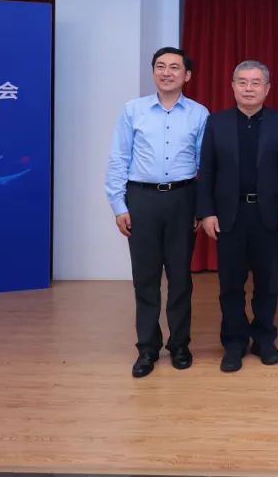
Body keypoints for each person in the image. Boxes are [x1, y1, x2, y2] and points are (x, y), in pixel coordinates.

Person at [105, 47, 208, 378]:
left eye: (174, 67)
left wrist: (201, 208)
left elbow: (205, 165)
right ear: (153, 73)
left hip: (183, 199)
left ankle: (179, 345)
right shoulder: (133, 110)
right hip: (142, 199)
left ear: (187, 76)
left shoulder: (199, 114)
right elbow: (119, 158)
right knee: (145, 279)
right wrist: (119, 205)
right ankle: (147, 348)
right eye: (160, 66)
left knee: (180, 279)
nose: (167, 72)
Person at [197, 60, 278, 372]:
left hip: (268, 215)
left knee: (267, 283)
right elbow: (206, 171)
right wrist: (206, 212)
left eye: (256, 83)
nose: (249, 88)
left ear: (267, 89)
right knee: (231, 284)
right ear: (233, 86)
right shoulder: (217, 123)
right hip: (229, 215)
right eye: (242, 82)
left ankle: (264, 339)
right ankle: (234, 342)